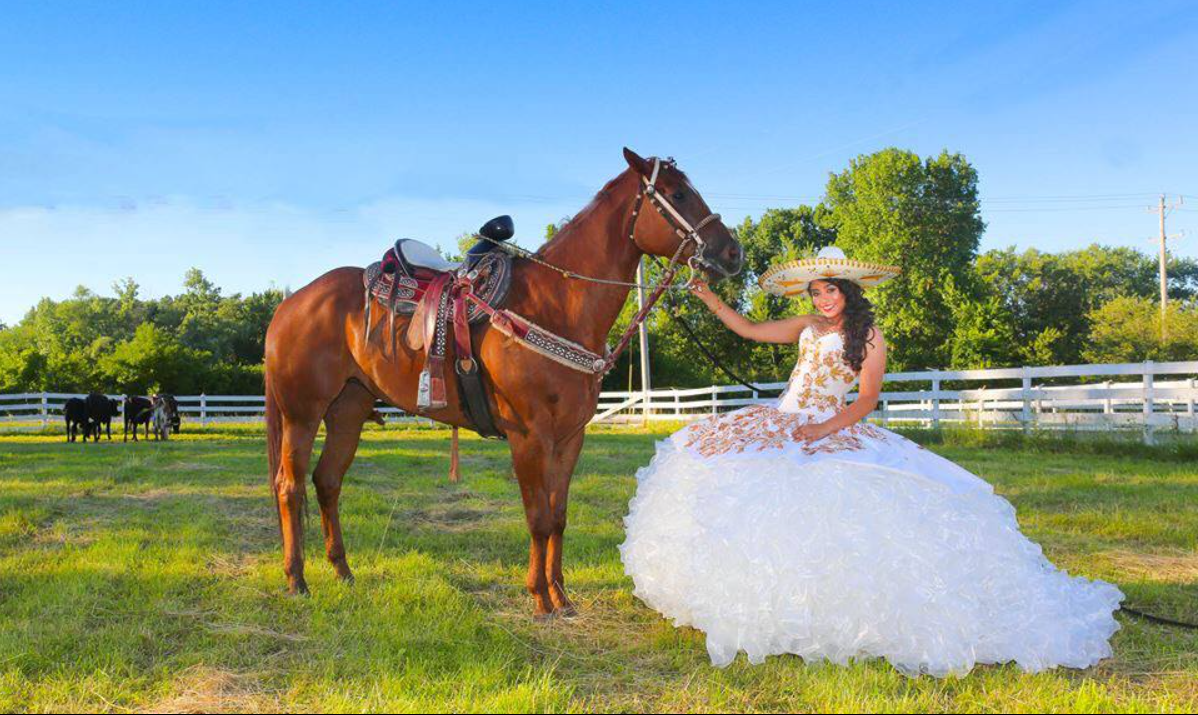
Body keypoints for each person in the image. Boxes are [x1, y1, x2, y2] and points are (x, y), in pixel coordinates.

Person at [619, 246, 1123, 678]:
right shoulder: (807, 327)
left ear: (849, 291)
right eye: (816, 292)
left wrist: (821, 429)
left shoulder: (870, 335)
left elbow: (864, 402)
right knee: (724, 473)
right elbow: (749, 330)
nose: (823, 300)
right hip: (781, 419)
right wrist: (708, 296)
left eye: (830, 291)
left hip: (831, 424)